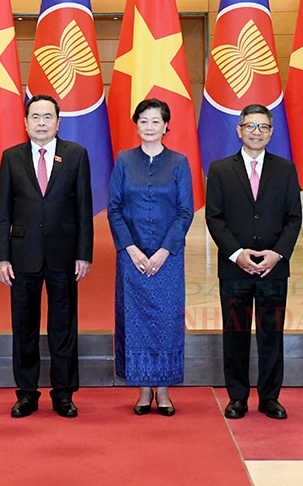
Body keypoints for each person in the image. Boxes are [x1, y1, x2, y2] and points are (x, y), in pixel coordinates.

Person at [0, 94, 94, 419]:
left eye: (47, 117)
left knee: (63, 327)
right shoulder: (12, 157)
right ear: (25, 123)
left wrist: (84, 254)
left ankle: (64, 393)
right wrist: (2, 257)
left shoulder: (76, 155)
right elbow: (3, 211)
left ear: (58, 122)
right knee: (23, 326)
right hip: (23, 256)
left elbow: (83, 208)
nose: (41, 123)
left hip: (64, 256)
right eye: (35, 117)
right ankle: (26, 393)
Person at [205, 104, 301, 420]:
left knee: (271, 335)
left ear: (271, 133)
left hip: (274, 268)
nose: (256, 132)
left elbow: (293, 218)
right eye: (250, 126)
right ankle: (237, 397)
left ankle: (270, 397)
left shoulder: (286, 169)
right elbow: (215, 218)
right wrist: (237, 254)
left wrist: (277, 253)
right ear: (239, 130)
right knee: (235, 334)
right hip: (234, 269)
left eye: (262, 127)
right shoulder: (220, 169)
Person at [108, 99, 194, 417]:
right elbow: (114, 208)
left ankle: (165, 391)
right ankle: (144, 390)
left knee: (166, 321)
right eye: (143, 121)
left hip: (167, 257)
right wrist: (129, 248)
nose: (149, 127)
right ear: (137, 125)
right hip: (131, 256)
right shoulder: (125, 160)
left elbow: (186, 211)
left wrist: (163, 251)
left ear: (165, 125)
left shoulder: (179, 162)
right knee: (135, 321)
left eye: (155, 121)